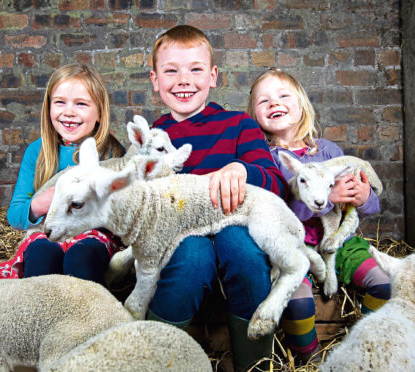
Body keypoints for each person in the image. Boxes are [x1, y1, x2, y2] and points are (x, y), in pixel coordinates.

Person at [147, 25, 289, 371]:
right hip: (183, 238)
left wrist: (242, 170)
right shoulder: (154, 137)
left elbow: (275, 184)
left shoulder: (239, 125)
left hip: (234, 226)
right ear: (155, 80)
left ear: (213, 77)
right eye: (171, 71)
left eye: (195, 69)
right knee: (193, 253)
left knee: (238, 242)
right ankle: (152, 358)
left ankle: (254, 362)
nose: (184, 80)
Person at [247, 68, 391, 362]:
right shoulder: (266, 158)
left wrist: (363, 197)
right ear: (254, 115)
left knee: (383, 283)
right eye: (264, 101)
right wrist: (329, 198)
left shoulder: (327, 151)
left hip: (338, 240)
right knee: (297, 301)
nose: (274, 103)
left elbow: (367, 207)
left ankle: (359, 346)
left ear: (302, 104)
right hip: (294, 246)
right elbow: (279, 209)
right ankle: (309, 358)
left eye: (283, 96)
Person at [0, 63, 125, 284]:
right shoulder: (37, 152)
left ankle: (86, 315)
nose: (69, 112)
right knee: (43, 254)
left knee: (83, 255)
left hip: (91, 234)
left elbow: (121, 211)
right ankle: (41, 315)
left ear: (100, 113)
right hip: (44, 233)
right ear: (49, 107)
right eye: (60, 102)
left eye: (81, 104)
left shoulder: (111, 152)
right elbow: (15, 216)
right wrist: (40, 203)